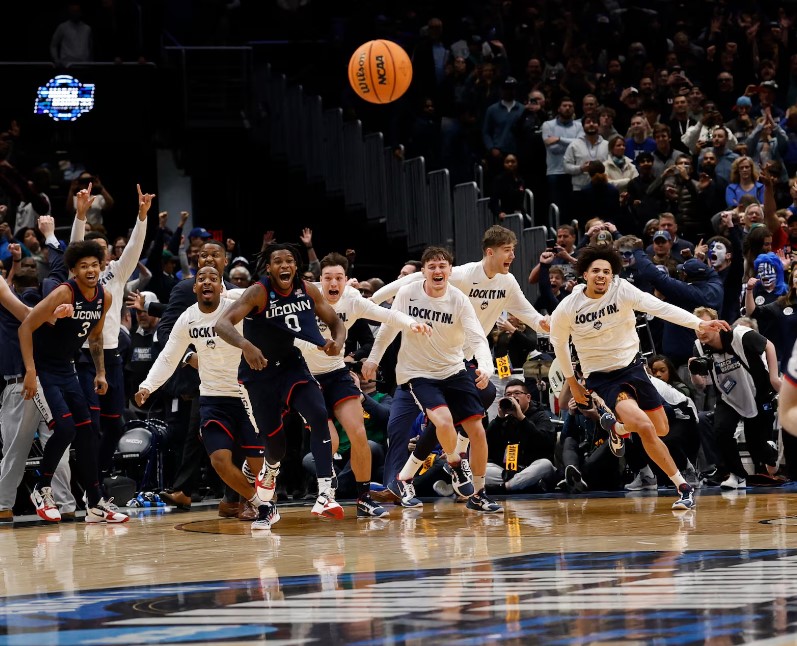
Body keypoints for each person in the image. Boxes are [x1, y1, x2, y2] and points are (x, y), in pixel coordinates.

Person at [369, 226, 549, 511]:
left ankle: (446, 463)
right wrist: (372, 302)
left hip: (458, 361)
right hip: (420, 364)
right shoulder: (461, 274)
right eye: (508, 250)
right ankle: (401, 480)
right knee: (402, 425)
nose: (513, 255)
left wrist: (543, 323)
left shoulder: (508, 282)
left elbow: (526, 311)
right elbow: (416, 278)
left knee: (481, 400)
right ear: (490, 252)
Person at [549, 245, 731, 511]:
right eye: (596, 271)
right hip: (602, 378)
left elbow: (659, 307)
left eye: (607, 271)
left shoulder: (622, 290)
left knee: (661, 429)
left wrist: (698, 323)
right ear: (585, 274)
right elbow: (559, 344)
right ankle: (683, 488)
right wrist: (574, 384)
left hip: (633, 368)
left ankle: (618, 429)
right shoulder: (568, 307)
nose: (602, 275)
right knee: (645, 427)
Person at [134, 266, 277, 529]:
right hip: (213, 399)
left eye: (214, 278)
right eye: (201, 279)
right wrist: (148, 386)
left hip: (246, 395)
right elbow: (169, 355)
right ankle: (260, 504)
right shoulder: (188, 318)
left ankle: (263, 497)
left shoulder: (237, 307)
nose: (207, 282)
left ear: (222, 287)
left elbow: (268, 303)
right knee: (219, 460)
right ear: (195, 288)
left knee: (260, 465)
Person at [215, 242, 347, 520]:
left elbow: (336, 322)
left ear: (296, 265)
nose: (284, 265)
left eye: (289, 260)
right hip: (258, 374)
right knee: (276, 448)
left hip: (291, 365)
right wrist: (246, 346)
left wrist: (337, 341)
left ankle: (325, 493)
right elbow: (222, 324)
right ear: (269, 267)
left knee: (318, 413)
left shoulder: (308, 289)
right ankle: (269, 472)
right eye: (278, 261)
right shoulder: (258, 292)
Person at [294, 252, 431, 517]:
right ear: (320, 280)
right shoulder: (304, 299)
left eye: (338, 278)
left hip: (336, 373)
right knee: (329, 440)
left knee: (359, 434)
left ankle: (364, 497)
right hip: (306, 376)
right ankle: (326, 492)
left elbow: (386, 314)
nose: (333, 283)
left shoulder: (352, 300)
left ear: (346, 280)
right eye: (327, 278)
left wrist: (412, 323)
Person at [362, 246, 495, 511]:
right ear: (423, 271)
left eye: (442, 266)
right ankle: (455, 464)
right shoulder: (408, 293)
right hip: (417, 373)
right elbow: (388, 328)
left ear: (449, 270)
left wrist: (486, 365)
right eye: (432, 266)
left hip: (454, 370)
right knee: (442, 421)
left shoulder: (458, 299)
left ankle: (479, 495)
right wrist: (373, 359)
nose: (437, 271)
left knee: (477, 431)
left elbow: (476, 336)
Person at [19, 239, 128, 523]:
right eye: (83, 266)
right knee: (65, 428)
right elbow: (26, 327)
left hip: (69, 370)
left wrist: (101, 372)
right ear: (73, 270)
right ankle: (41, 489)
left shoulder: (105, 297)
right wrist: (30, 371)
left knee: (89, 432)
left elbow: (95, 337)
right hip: (43, 370)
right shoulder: (63, 293)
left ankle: (95, 503)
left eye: (94, 264)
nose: (90, 270)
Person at [73, 184, 155, 484]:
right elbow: (74, 247)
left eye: (102, 252)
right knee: (90, 425)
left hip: (112, 354)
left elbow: (134, 248)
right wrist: (80, 216)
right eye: (92, 253)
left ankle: (100, 474)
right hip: (83, 354)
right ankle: (87, 484)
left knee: (115, 425)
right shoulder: (80, 276)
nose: (98, 258)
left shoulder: (116, 273)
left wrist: (142, 216)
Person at [0, 216, 75, 523]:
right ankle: (3, 503)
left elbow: (63, 263)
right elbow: (29, 317)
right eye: (24, 265)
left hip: (49, 380)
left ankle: (65, 503)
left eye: (35, 263)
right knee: (16, 449)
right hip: (20, 382)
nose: (32, 265)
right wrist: (53, 314)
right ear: (11, 276)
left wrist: (50, 235)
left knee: (58, 443)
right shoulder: (9, 294)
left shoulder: (50, 289)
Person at [688, 307, 781, 489]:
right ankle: (737, 474)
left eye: (706, 326)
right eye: (697, 327)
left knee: (757, 448)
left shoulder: (741, 334)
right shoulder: (699, 347)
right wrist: (693, 372)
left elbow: (769, 345)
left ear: (717, 324)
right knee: (721, 431)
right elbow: (700, 384)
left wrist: (774, 377)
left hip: (757, 393)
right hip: (728, 397)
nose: (701, 331)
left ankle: (770, 452)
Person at [485, 379, 557, 492]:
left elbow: (545, 443)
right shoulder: (503, 420)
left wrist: (522, 418)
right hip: (507, 472)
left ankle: (504, 488)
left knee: (545, 465)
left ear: (528, 397)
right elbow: (487, 445)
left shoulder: (540, 416)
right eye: (508, 395)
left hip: (532, 469)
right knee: (480, 469)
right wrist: (499, 419)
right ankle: (519, 485)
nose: (512, 397)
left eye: (517, 393)